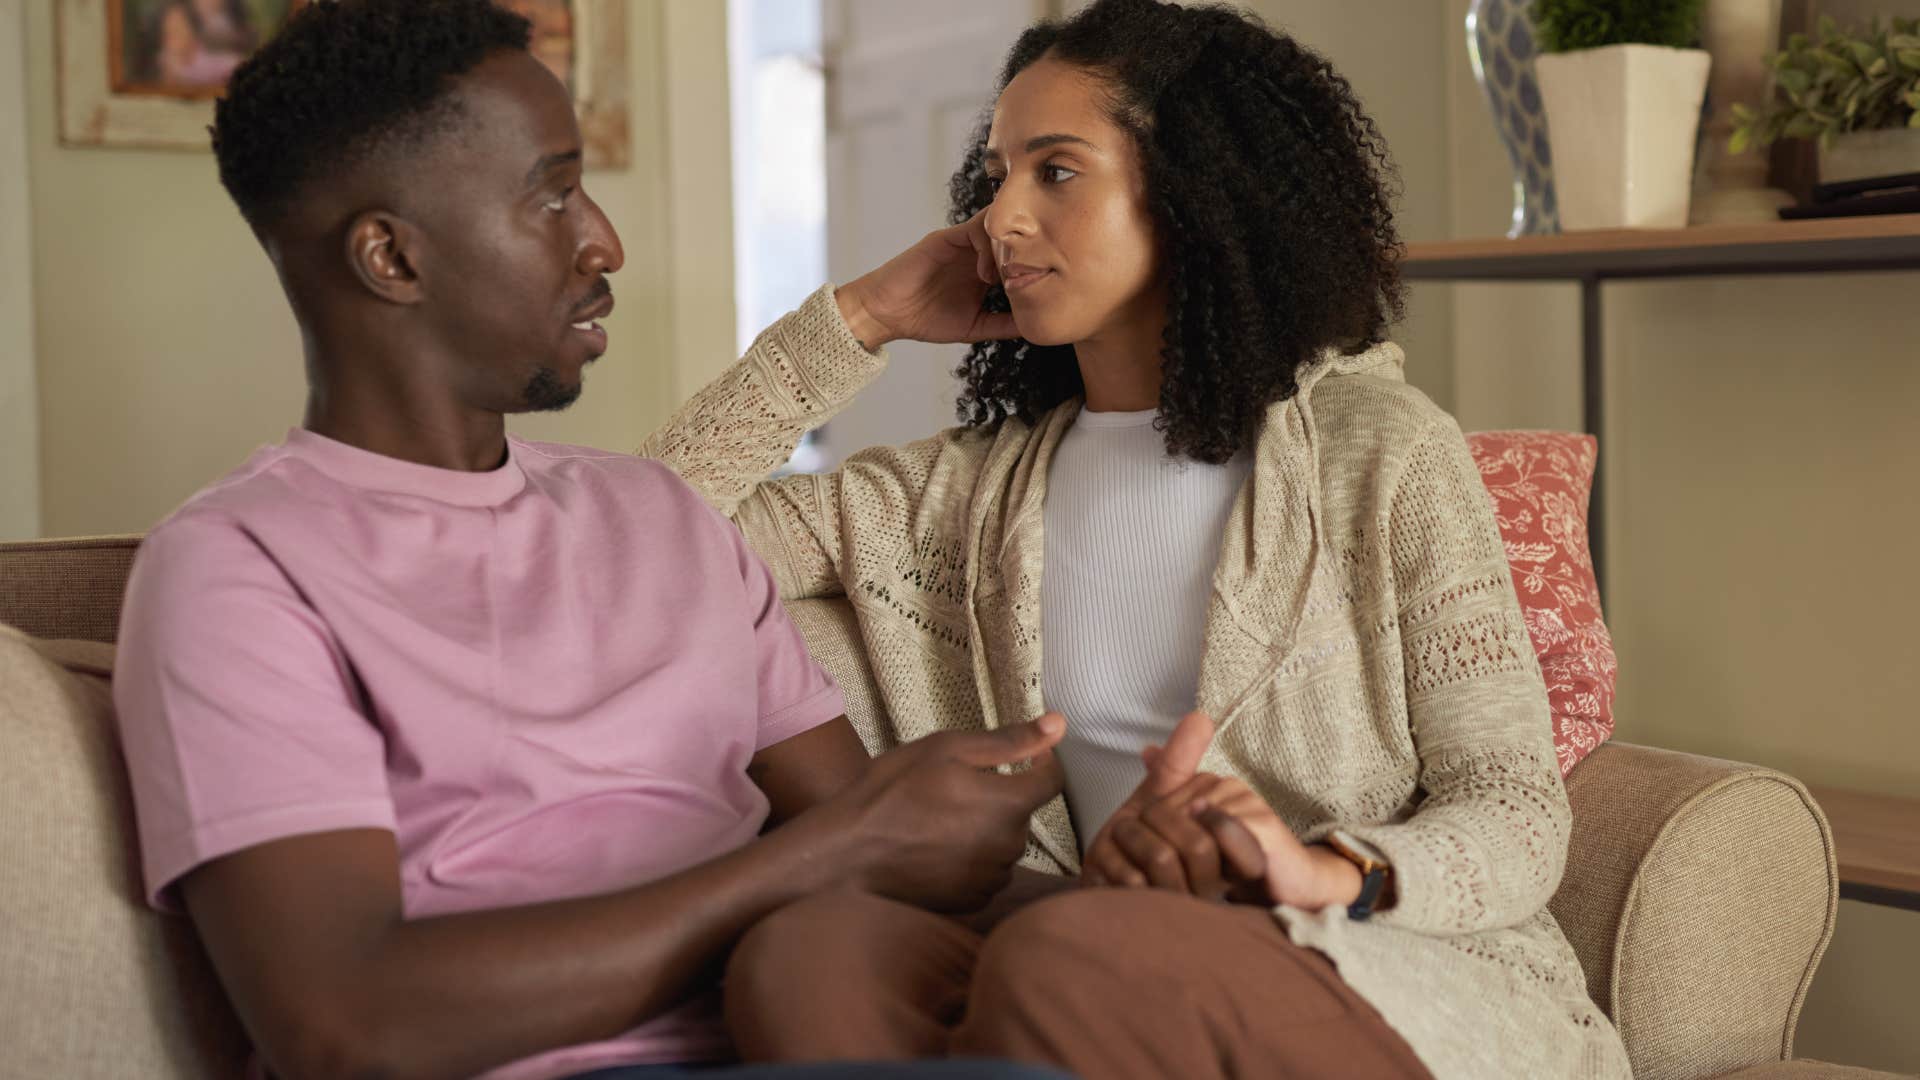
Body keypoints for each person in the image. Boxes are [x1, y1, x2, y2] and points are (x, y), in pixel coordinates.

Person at [639, 1, 1636, 1077]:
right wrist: (860, 320)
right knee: (809, 954)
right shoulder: (950, 497)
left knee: (1065, 956)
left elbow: (1517, 807)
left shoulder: (1380, 452)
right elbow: (639, 545)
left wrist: (1323, 869)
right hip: (1084, 945)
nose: (1000, 220)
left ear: (1196, 191)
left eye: (1055, 172)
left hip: (1373, 966)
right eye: (996, 176)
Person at [111, 3, 1076, 1079]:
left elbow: (889, 857)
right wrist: (820, 860)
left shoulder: (661, 518)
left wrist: (1176, 899)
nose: (604, 240)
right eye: (553, 195)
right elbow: (345, 1024)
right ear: (390, 257)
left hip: (802, 1032)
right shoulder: (237, 570)